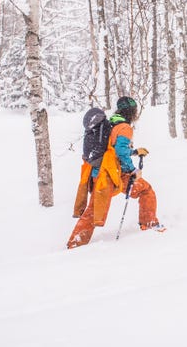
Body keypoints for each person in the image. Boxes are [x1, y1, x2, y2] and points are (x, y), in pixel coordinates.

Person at [67, 96, 163, 248]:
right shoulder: (124, 128)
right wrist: (133, 170)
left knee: (93, 212)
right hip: (110, 176)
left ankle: (75, 244)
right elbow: (120, 151)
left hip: (99, 174)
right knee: (145, 191)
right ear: (132, 112)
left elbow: (112, 149)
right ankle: (149, 223)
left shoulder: (110, 123)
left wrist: (135, 152)